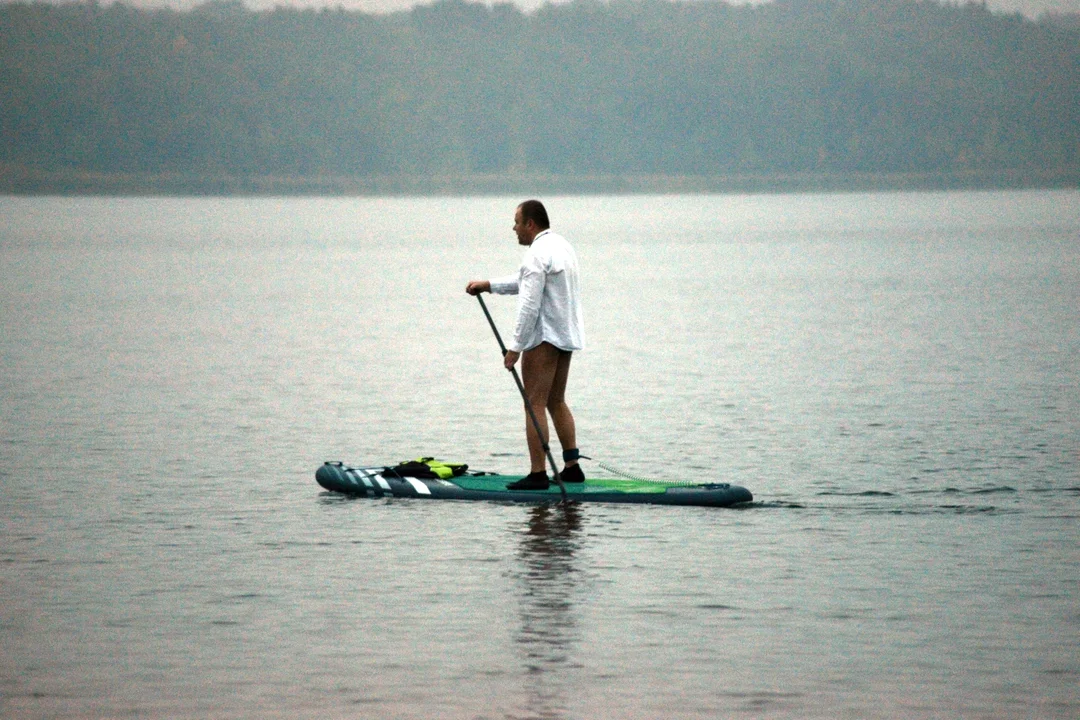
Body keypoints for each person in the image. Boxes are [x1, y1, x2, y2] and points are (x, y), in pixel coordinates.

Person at [466, 200, 585, 490]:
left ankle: (538, 475)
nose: (514, 228)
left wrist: (515, 348)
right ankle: (572, 467)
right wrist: (488, 285)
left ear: (530, 224)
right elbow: (525, 283)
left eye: (516, 222)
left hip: (544, 338)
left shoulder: (535, 255)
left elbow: (529, 305)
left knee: (534, 404)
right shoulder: (561, 246)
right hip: (566, 335)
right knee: (556, 401)